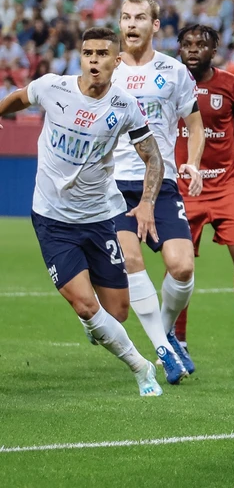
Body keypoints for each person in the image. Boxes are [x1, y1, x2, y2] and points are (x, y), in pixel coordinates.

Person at [0, 27, 163, 396]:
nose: (94, 60)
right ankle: (141, 368)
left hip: (99, 216)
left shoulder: (124, 107)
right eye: (88, 53)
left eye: (102, 54)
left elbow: (153, 157)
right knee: (87, 306)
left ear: (116, 61)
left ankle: (101, 328)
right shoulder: (52, 88)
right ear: (80, 57)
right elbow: (18, 97)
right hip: (52, 218)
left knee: (116, 311)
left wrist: (148, 202)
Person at [110, 0, 203, 385]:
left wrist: (193, 163)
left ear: (155, 26)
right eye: (126, 17)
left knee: (182, 266)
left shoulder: (174, 71)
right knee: (133, 264)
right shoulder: (104, 70)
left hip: (159, 182)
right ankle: (164, 351)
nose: (132, 24)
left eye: (140, 17)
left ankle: (163, 330)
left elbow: (195, 125)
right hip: (111, 184)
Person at [172, 24, 234, 365]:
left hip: (227, 187)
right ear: (179, 49)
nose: (193, 49)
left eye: (201, 44)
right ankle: (177, 342)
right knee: (180, 267)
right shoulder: (168, 83)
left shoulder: (233, 86)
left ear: (214, 51)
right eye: (187, 44)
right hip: (184, 188)